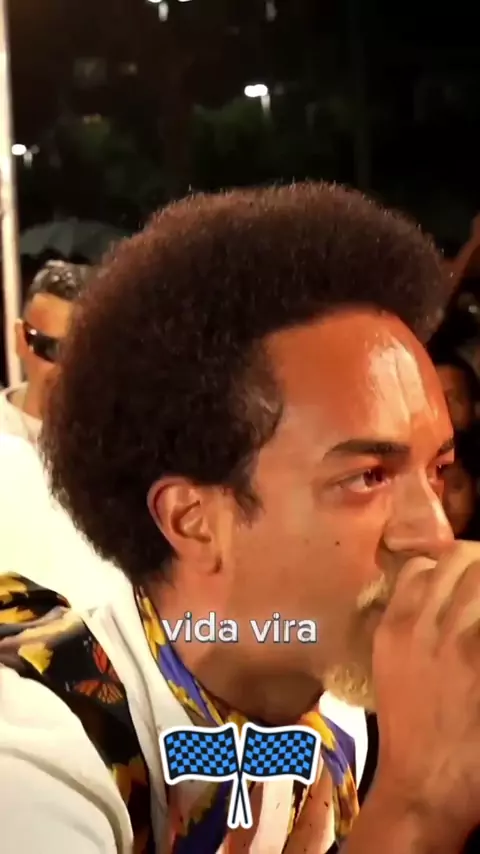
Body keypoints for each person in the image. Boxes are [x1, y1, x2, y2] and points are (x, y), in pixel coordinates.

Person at [1, 183, 480, 854]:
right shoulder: (35, 762)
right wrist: (416, 809)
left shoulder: (339, 702)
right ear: (193, 520)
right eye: (368, 477)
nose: (434, 534)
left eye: (437, 470)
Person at [0, 260, 91, 444]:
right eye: (51, 348)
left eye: (79, 353)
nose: (64, 368)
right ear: (21, 339)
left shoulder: (109, 439)